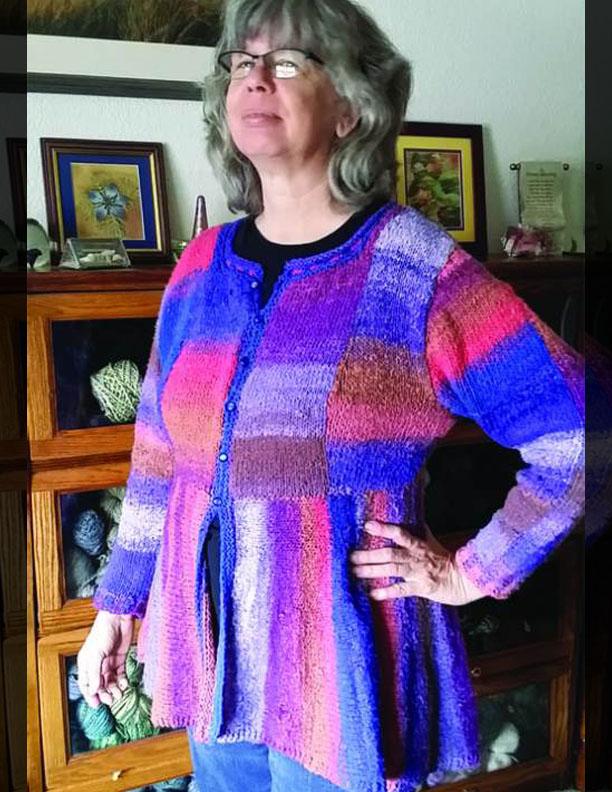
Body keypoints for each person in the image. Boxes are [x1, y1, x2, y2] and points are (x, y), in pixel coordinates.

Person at [77, 0, 585, 790]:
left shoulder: (413, 269)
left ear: (351, 107)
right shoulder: (200, 267)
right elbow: (158, 454)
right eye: (240, 63)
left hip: (342, 681)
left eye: (287, 61)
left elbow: (579, 430)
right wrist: (118, 603)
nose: (254, 77)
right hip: (214, 663)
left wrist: (471, 571)